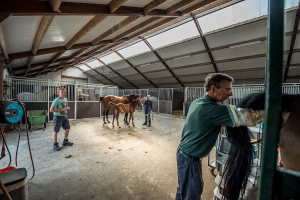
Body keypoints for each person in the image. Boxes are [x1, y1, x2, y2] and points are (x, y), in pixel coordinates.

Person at [175, 73, 264, 200]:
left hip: (182, 154)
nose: (231, 94)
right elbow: (248, 117)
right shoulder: (213, 110)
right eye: (227, 89)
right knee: (191, 194)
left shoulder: (197, 103)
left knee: (182, 190)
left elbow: (212, 122)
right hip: (190, 159)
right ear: (213, 89)